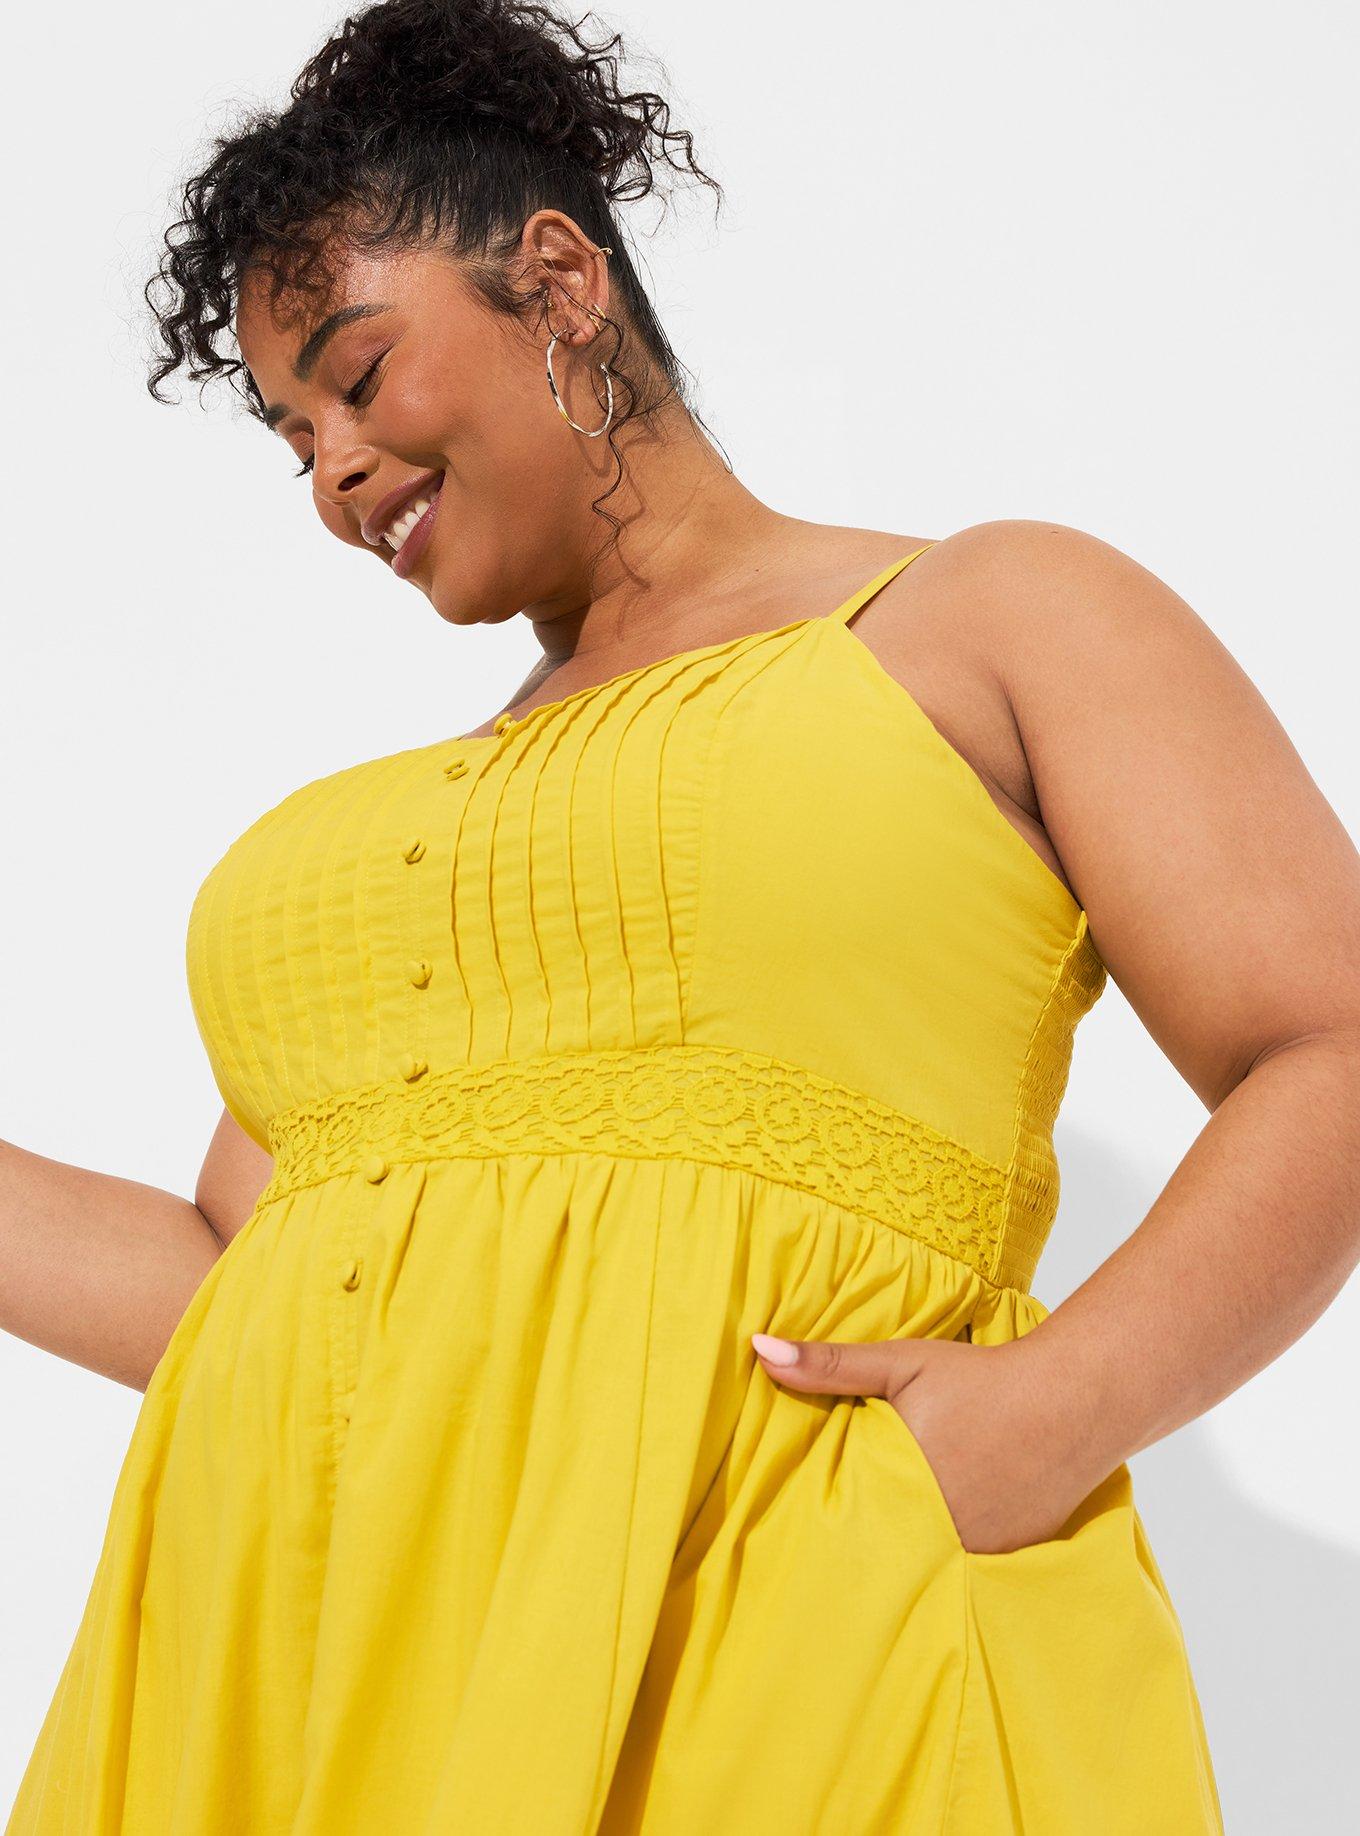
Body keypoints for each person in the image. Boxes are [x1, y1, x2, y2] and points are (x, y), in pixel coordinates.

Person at [6, 0, 1359, 1829]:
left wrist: (1044, 1419)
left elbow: (1328, 1041)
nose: (331, 471)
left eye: (359, 374)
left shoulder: (982, 621)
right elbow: (249, 1280)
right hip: (344, 1670)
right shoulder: (389, 838)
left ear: (559, 283)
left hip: (800, 1635)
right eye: (292, 432)